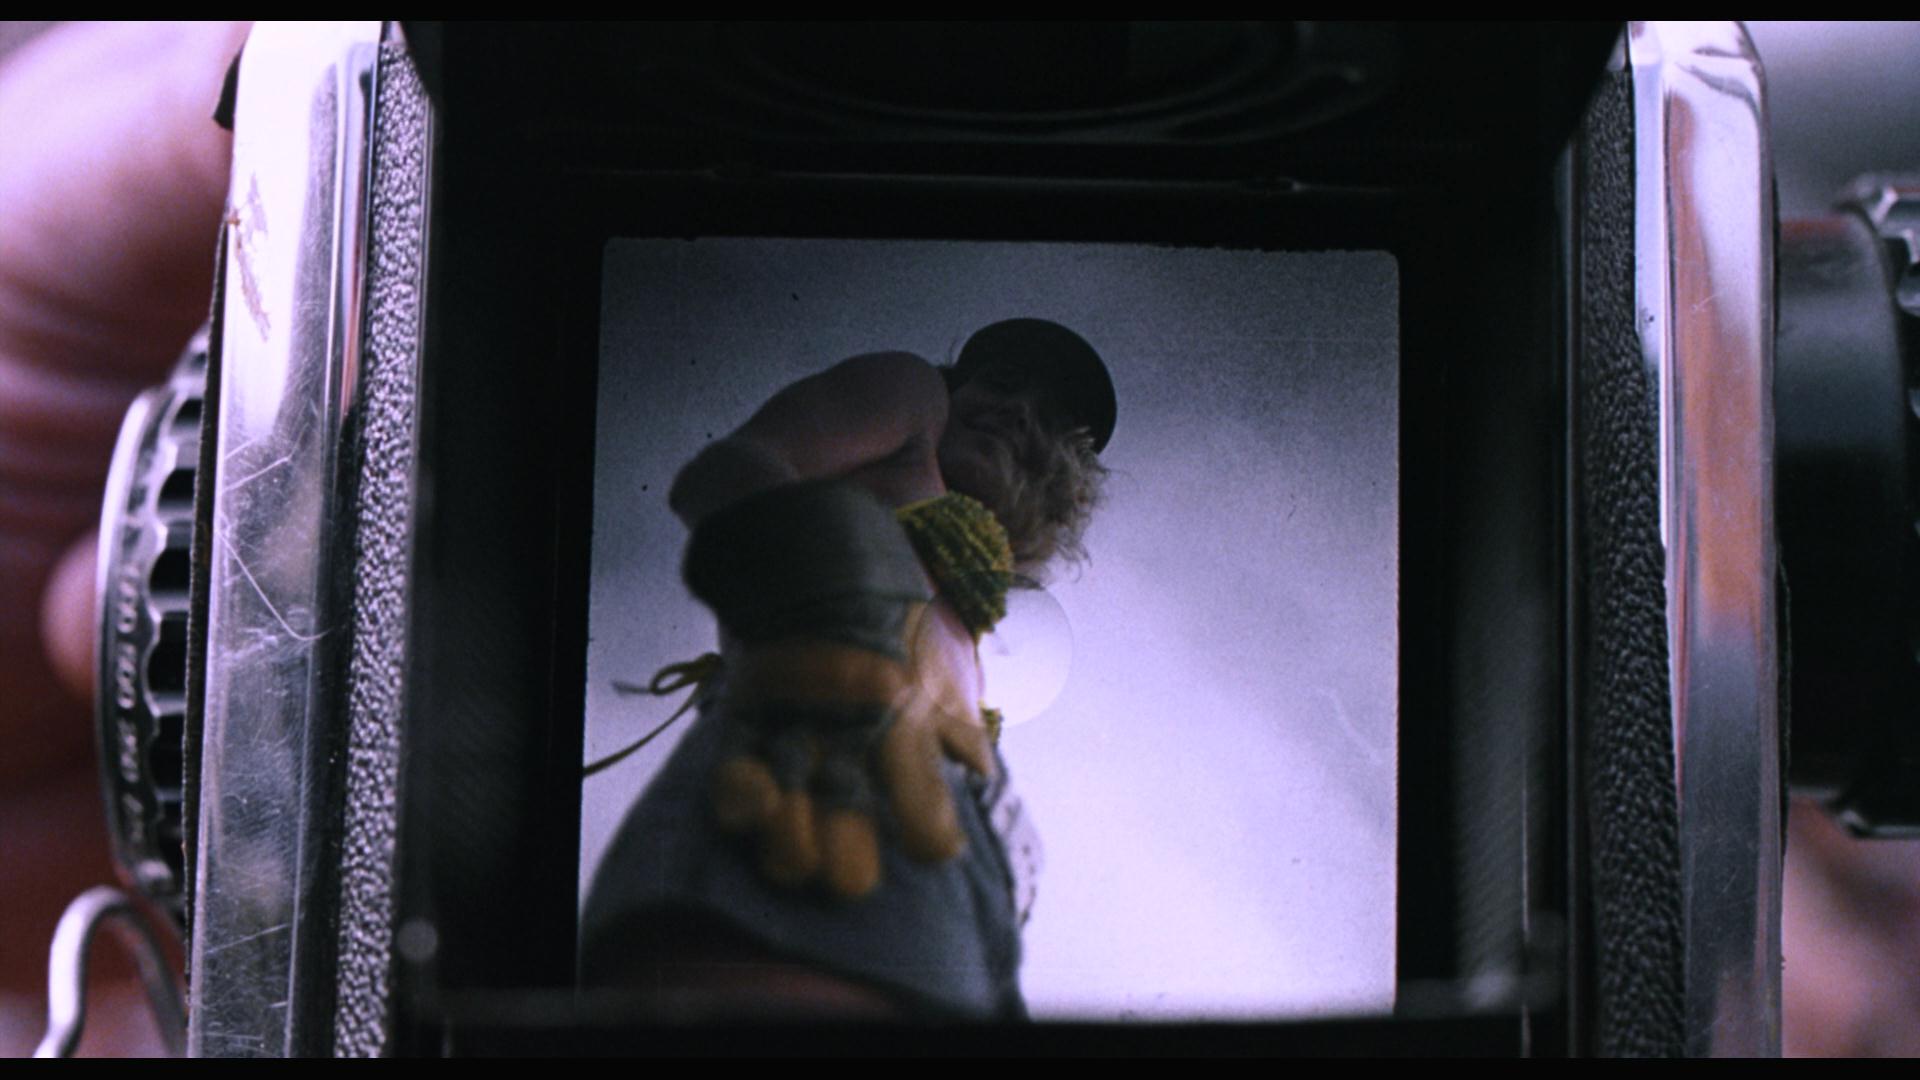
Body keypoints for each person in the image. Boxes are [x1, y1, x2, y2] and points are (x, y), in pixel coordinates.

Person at [580, 319, 1114, 1019]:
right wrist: (834, 587)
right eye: (1001, 382)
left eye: (1046, 417)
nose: (1015, 408)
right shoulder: (915, 398)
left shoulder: (980, 595)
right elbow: (730, 469)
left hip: (952, 855)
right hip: (808, 769)